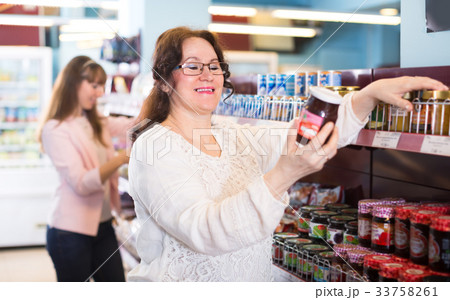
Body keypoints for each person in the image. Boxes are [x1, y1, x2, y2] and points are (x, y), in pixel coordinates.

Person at [127, 27, 448, 281]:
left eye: (214, 66)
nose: (208, 75)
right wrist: (284, 174)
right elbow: (205, 231)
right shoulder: (154, 148)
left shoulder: (234, 133)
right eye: (192, 66)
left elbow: (303, 135)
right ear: (164, 81)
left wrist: (367, 96)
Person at [38, 56, 135, 282]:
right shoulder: (55, 129)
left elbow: (133, 124)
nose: (100, 92)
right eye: (94, 85)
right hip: (69, 233)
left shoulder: (95, 121)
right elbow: (82, 183)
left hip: (103, 226)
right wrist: (122, 159)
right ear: (73, 83)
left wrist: (162, 95)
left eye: (102, 85)